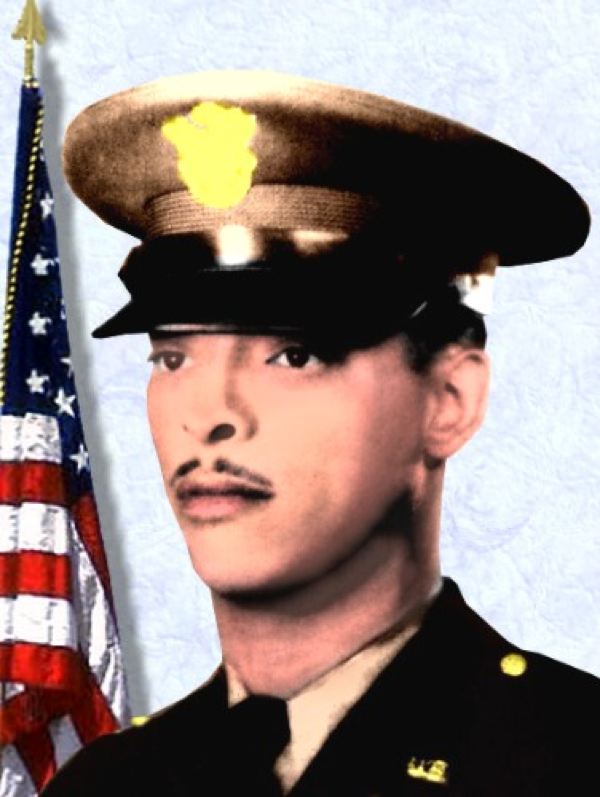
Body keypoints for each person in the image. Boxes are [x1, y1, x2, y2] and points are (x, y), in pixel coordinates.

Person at [43, 71, 599, 795]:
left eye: (294, 354)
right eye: (173, 356)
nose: (209, 412)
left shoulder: (574, 757)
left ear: (449, 400)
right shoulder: (105, 787)